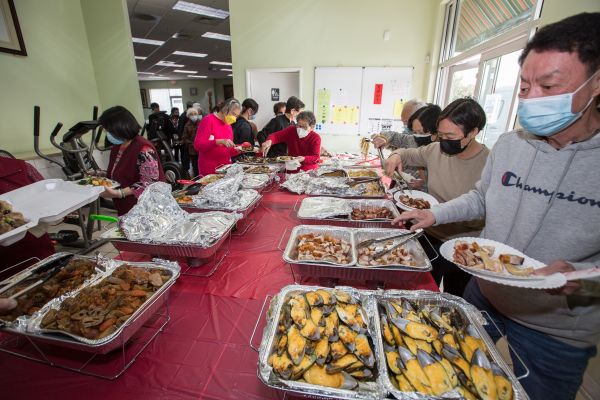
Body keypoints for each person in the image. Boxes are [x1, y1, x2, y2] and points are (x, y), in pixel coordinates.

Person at [394, 13, 600, 400]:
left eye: (549, 85)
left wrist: (588, 274)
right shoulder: (511, 144)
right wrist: (433, 214)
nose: (530, 98)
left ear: (596, 84)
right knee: (445, 378)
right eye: (524, 86)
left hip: (556, 330)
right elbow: (479, 198)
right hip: (483, 294)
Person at [385, 98, 489, 296]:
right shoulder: (436, 149)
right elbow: (408, 153)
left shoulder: (488, 162)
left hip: (464, 244)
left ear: (473, 132)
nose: (444, 141)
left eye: (450, 135)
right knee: (422, 290)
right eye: (440, 135)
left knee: (456, 295)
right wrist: (396, 156)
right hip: (430, 233)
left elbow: (483, 207)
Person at [99, 106, 165, 215]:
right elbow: (122, 171)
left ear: (119, 127)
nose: (107, 133)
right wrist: (100, 174)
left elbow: (148, 183)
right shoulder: (118, 146)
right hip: (126, 206)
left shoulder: (144, 149)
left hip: (144, 207)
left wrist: (119, 193)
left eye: (108, 130)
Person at [0, 157, 55, 275]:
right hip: (34, 245)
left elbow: (49, 199)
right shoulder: (22, 167)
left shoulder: (22, 168)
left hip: (33, 247)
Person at [194, 98, 242, 175]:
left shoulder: (228, 125)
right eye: (233, 114)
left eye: (236, 116)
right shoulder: (208, 120)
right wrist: (217, 141)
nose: (234, 118)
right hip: (209, 169)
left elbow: (227, 151)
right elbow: (198, 145)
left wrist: (239, 149)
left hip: (225, 168)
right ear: (225, 109)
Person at [182, 107, 201, 177]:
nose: (194, 116)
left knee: (202, 163)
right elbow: (184, 137)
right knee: (195, 164)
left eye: (195, 114)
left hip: (201, 147)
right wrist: (191, 144)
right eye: (191, 114)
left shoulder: (201, 122)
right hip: (192, 149)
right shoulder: (187, 125)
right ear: (189, 116)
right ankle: (197, 178)